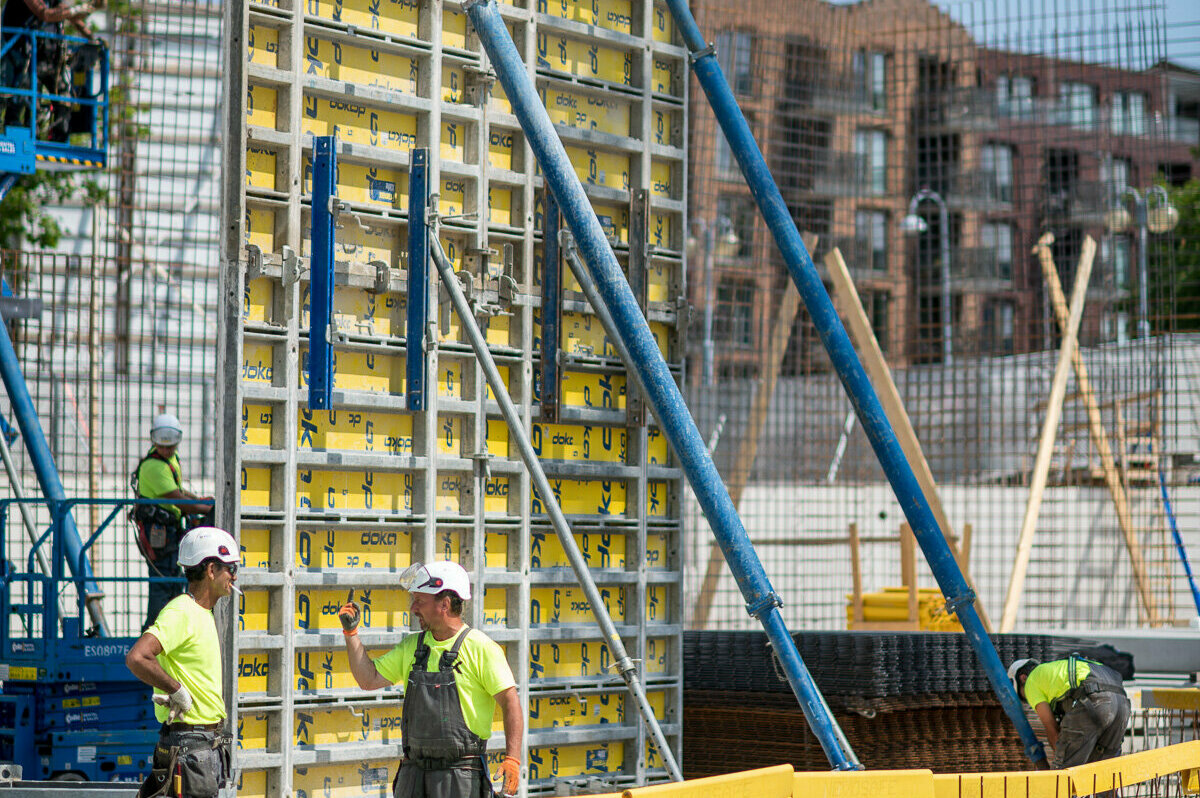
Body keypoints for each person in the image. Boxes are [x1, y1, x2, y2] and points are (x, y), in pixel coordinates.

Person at [339, 561, 523, 798]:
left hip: (460, 777)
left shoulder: (481, 648)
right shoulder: (411, 647)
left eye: (420, 601)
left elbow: (510, 702)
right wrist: (351, 634)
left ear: (444, 604)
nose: (414, 608)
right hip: (413, 776)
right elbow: (368, 679)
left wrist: (513, 758)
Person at [125, 526, 238, 798]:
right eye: (230, 568)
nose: (234, 575)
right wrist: (176, 689)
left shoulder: (202, 613)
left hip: (201, 747)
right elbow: (137, 657)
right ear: (211, 570)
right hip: (189, 747)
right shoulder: (181, 612)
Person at [131, 413, 214, 630]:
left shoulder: (169, 460)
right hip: (158, 533)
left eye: (171, 447)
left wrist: (200, 501)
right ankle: (153, 632)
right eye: (162, 446)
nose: (167, 450)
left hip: (170, 531)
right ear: (154, 442)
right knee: (162, 585)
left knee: (173, 583)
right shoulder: (153, 467)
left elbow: (179, 491)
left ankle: (169, 631)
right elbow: (180, 502)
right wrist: (210, 508)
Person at [1008, 655, 1131, 775]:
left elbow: (1051, 727)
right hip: (1121, 702)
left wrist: (1062, 757)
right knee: (1105, 776)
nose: (1030, 702)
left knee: (1063, 777)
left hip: (1092, 700)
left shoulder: (1031, 681)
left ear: (1023, 678)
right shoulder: (1057, 669)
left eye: (1023, 697)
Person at [2, 0, 101, 132]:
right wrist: (75, 10)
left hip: (47, 60)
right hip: (21, 55)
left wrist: (91, 36)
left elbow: (66, 14)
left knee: (64, 96)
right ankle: (19, 125)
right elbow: (45, 14)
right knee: (27, 93)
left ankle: (60, 132)